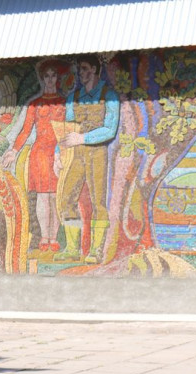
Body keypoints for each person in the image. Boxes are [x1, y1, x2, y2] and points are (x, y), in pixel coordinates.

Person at [56, 54, 120, 264]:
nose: (81, 74)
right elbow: (66, 129)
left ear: (94, 70)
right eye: (79, 70)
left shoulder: (109, 96)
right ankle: (72, 248)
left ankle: (96, 250)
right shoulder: (74, 98)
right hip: (75, 153)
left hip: (97, 152)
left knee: (98, 202)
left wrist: (83, 137)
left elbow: (110, 130)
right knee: (67, 198)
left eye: (84, 69)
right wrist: (58, 154)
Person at [2, 59, 69, 252]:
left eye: (53, 75)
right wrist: (14, 151)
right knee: (42, 197)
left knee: (55, 196)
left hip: (58, 153)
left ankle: (53, 238)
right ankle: (44, 238)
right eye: (46, 76)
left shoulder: (64, 103)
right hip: (39, 154)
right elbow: (25, 131)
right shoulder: (35, 104)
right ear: (42, 79)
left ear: (58, 78)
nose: (50, 79)